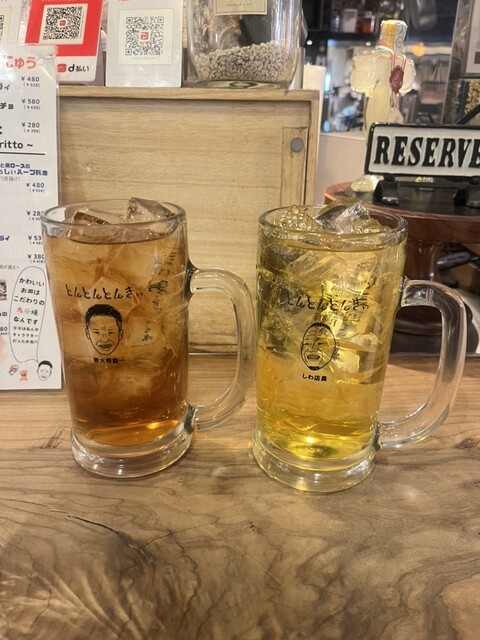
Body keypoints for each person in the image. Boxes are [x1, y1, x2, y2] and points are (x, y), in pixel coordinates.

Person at [350, 19, 415, 191]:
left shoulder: (397, 61)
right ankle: (376, 173)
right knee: (377, 136)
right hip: (381, 104)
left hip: (385, 105)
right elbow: (406, 86)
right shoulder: (402, 62)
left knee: (379, 137)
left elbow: (357, 82)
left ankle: (378, 174)